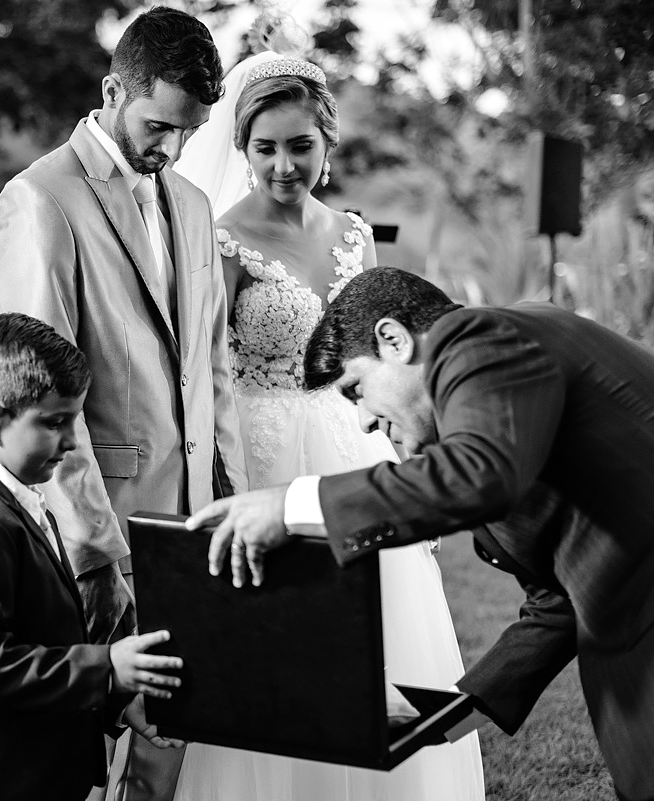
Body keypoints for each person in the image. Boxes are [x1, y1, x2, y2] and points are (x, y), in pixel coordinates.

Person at [190, 266, 654, 801]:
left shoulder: (481, 340)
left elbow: (480, 474)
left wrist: (292, 502)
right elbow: (558, 604)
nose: (365, 423)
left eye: (357, 390)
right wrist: (438, 717)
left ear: (393, 340)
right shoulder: (499, 410)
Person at [171, 37, 484, 799]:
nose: (283, 165)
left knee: (385, 625)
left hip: (356, 447)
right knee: (286, 644)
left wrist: (414, 458)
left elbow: (373, 352)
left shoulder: (352, 233)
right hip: (267, 453)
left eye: (300, 146)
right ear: (241, 146)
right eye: (265, 147)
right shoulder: (221, 238)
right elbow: (205, 371)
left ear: (328, 143)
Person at [0, 8, 246, 797]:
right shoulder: (40, 200)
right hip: (91, 533)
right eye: (159, 124)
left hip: (194, 520)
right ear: (112, 90)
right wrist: (101, 559)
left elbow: (213, 365)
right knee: (80, 752)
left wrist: (228, 489)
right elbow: (41, 410)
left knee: (169, 732)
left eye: (191, 132)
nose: (171, 147)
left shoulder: (196, 205)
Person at [0, 312, 184, 801]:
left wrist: (116, 701)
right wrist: (106, 667)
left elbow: (46, 637)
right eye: (55, 423)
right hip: (0, 780)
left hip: (44, 771)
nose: (69, 443)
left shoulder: (17, 499)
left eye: (73, 423)